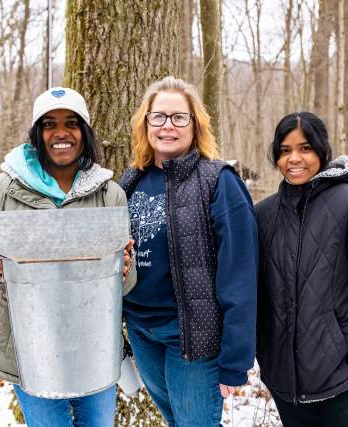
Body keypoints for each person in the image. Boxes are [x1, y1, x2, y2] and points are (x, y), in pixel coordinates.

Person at [0, 87, 134, 427]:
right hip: (28, 350)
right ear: (37, 134)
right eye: (49, 124)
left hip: (95, 346)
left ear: (84, 133)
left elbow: (125, 285)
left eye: (71, 123)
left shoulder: (109, 193)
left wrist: (124, 271)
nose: (60, 133)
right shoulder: (3, 189)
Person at [119, 76, 258, 426]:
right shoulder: (129, 181)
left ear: (195, 126)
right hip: (141, 332)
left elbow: (240, 273)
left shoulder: (218, 181)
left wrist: (236, 358)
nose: (168, 126)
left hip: (192, 338)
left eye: (179, 117)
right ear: (145, 123)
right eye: (159, 117)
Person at [254, 112, 348, 427]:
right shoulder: (263, 215)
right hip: (284, 382)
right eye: (284, 150)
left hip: (345, 382)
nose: (294, 158)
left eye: (305, 148)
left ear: (322, 151)